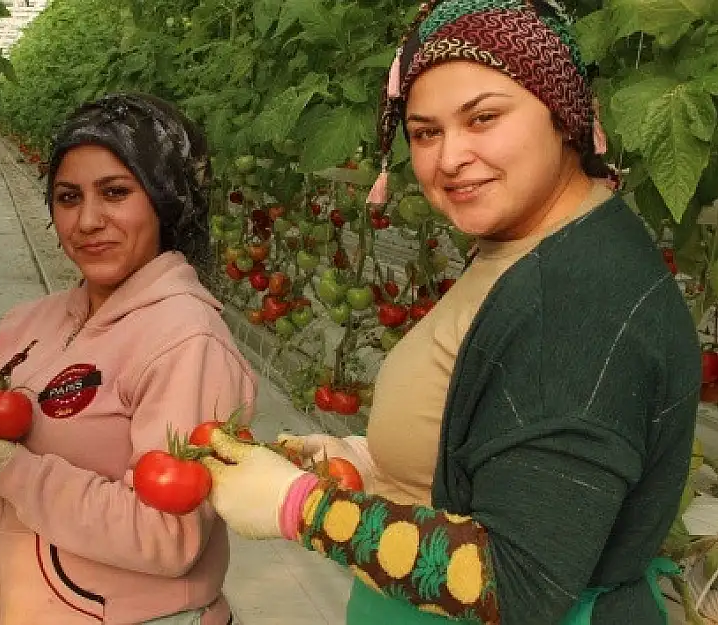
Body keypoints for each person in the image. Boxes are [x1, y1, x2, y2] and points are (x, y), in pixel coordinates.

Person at [199, 2, 701, 624]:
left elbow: (516, 582)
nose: (449, 156)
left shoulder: (575, 302)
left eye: (483, 117)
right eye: (425, 131)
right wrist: (372, 461)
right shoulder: (528, 244)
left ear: (563, 114)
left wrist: (304, 508)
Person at [0, 93, 256, 625]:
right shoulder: (27, 325)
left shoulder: (186, 342)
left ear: (165, 200)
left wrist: (12, 466)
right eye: (68, 197)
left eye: (116, 193)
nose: (87, 220)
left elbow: (169, 537)